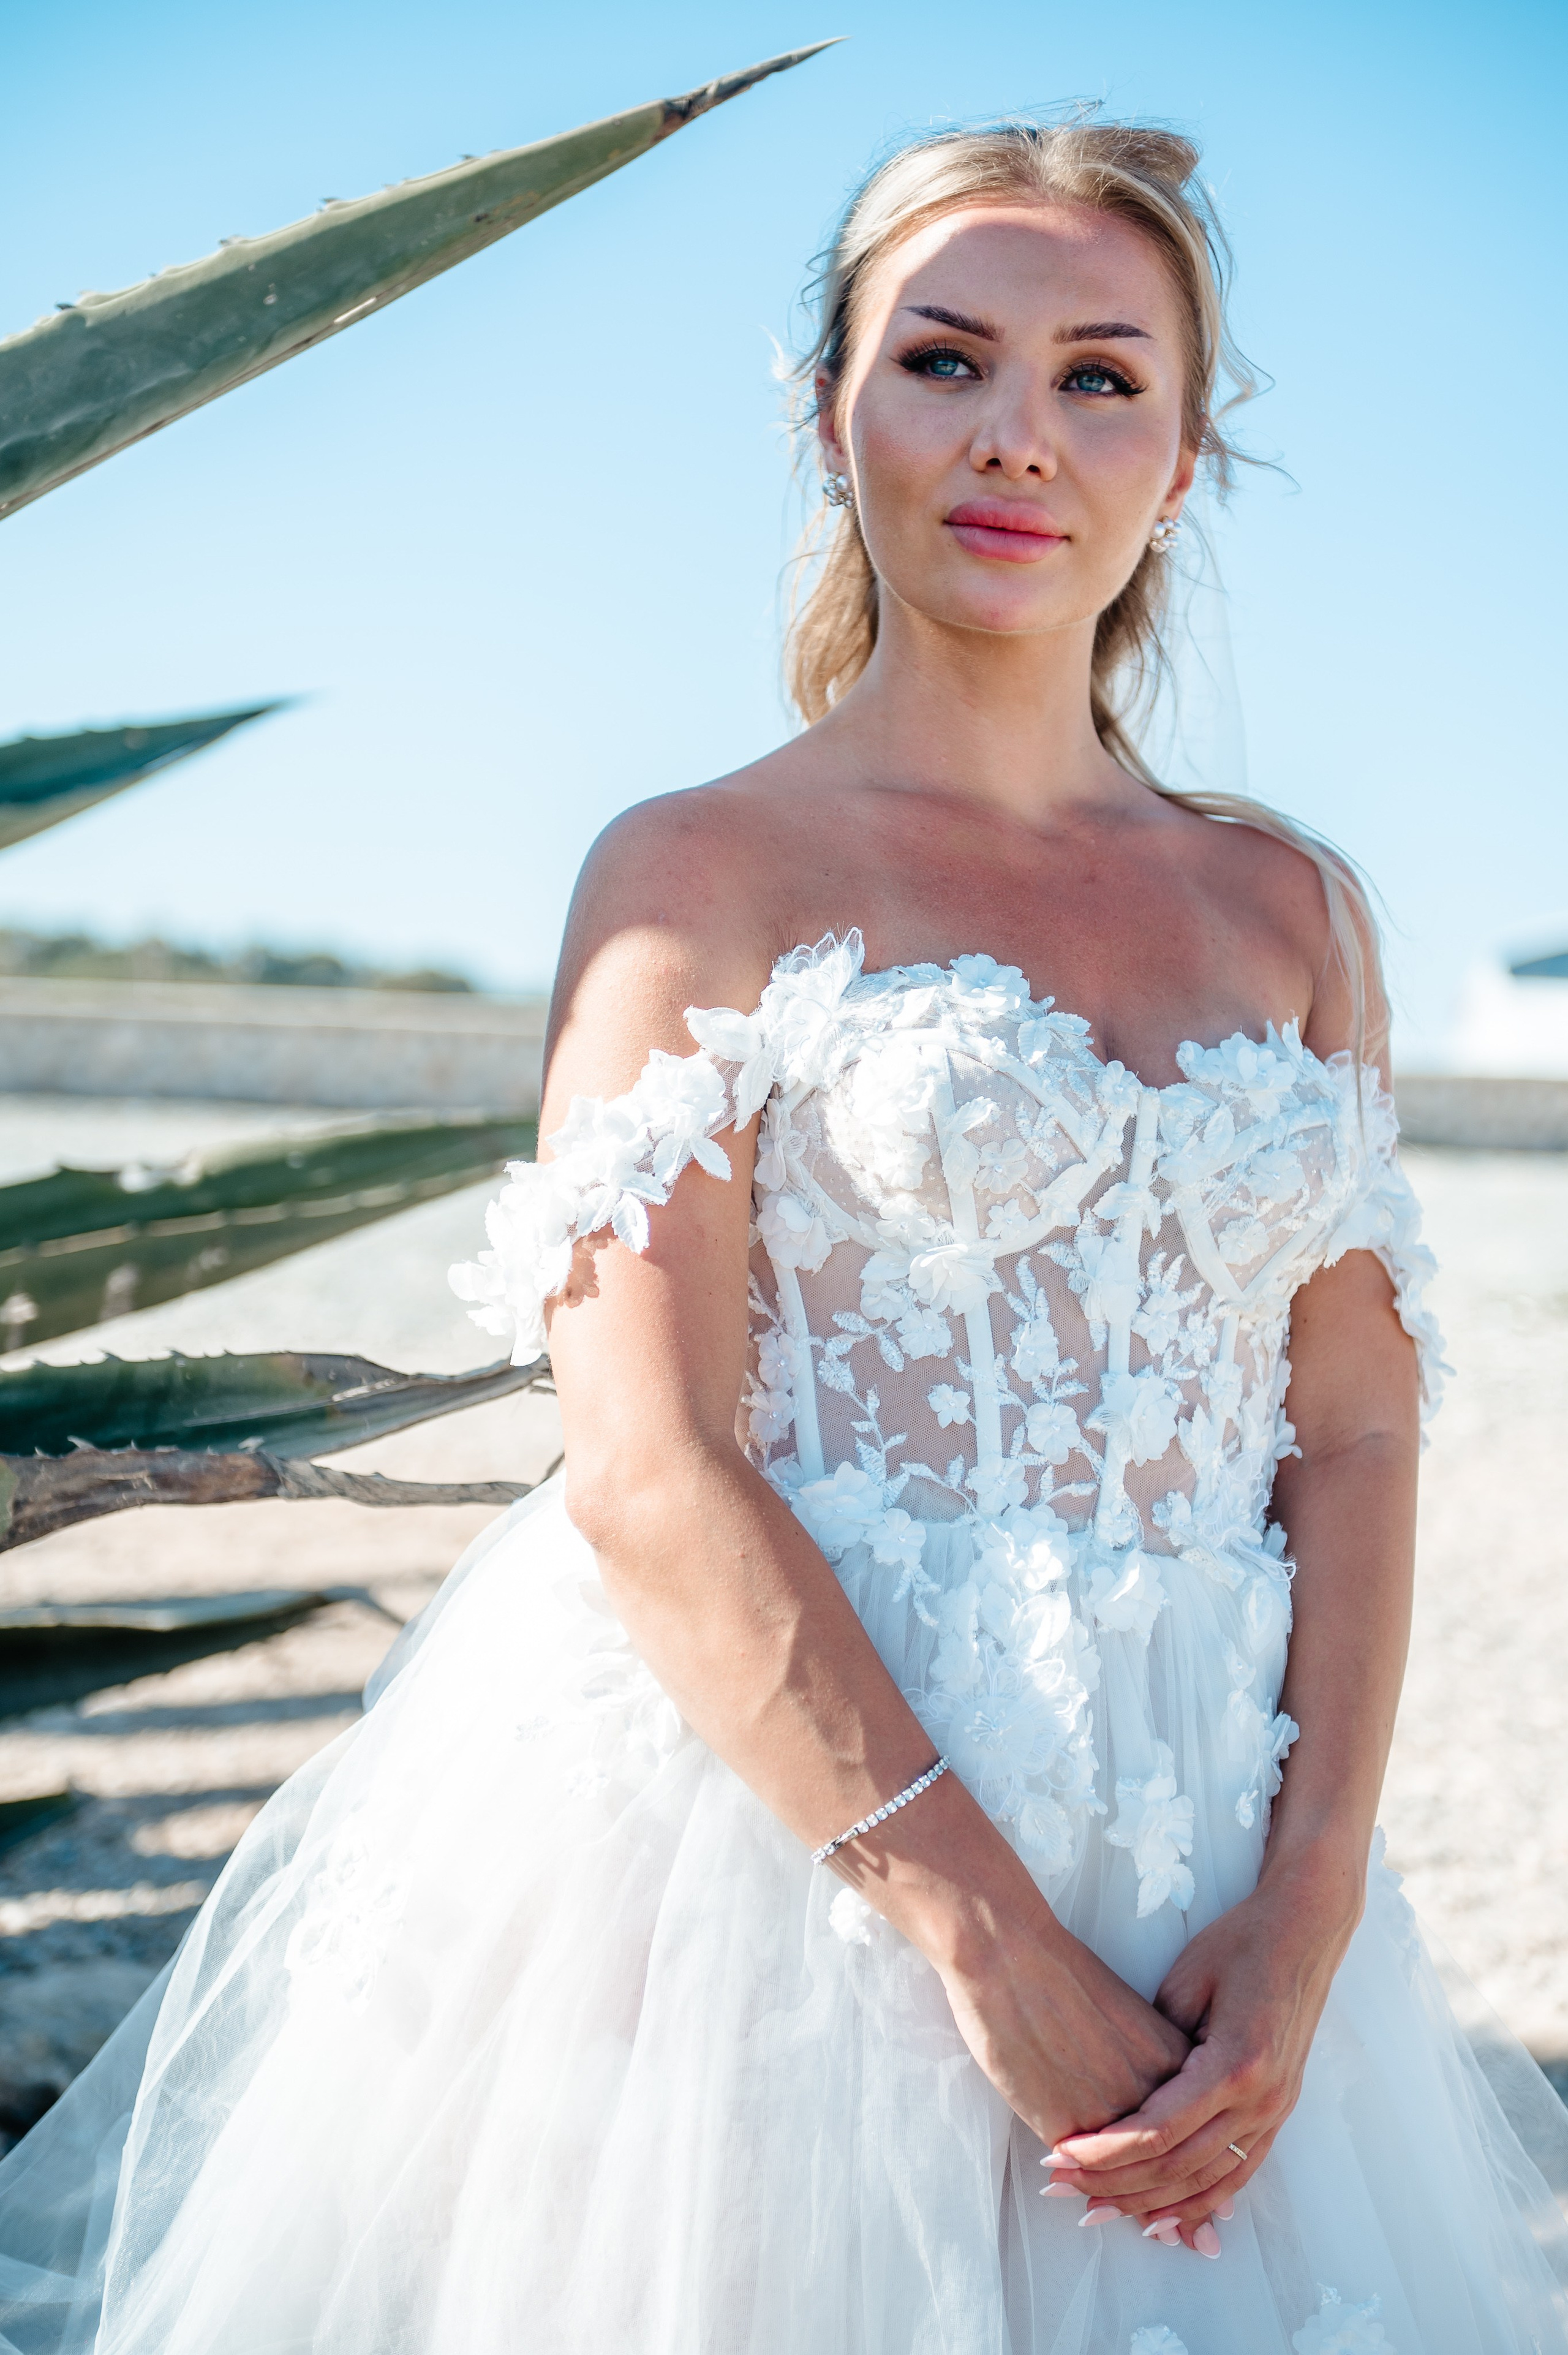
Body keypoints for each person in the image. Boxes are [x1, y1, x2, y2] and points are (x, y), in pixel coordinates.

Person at [2, 114, 1566, 2355]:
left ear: (1187, 455)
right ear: (832, 410)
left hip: (1208, 1868)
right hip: (780, 1878)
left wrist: (1309, 1906)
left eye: (1102, 377)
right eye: (946, 359)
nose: (1020, 433)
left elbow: (1359, 1438)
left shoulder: (1290, 910)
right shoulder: (693, 874)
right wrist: (982, 1943)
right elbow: (646, 1465)